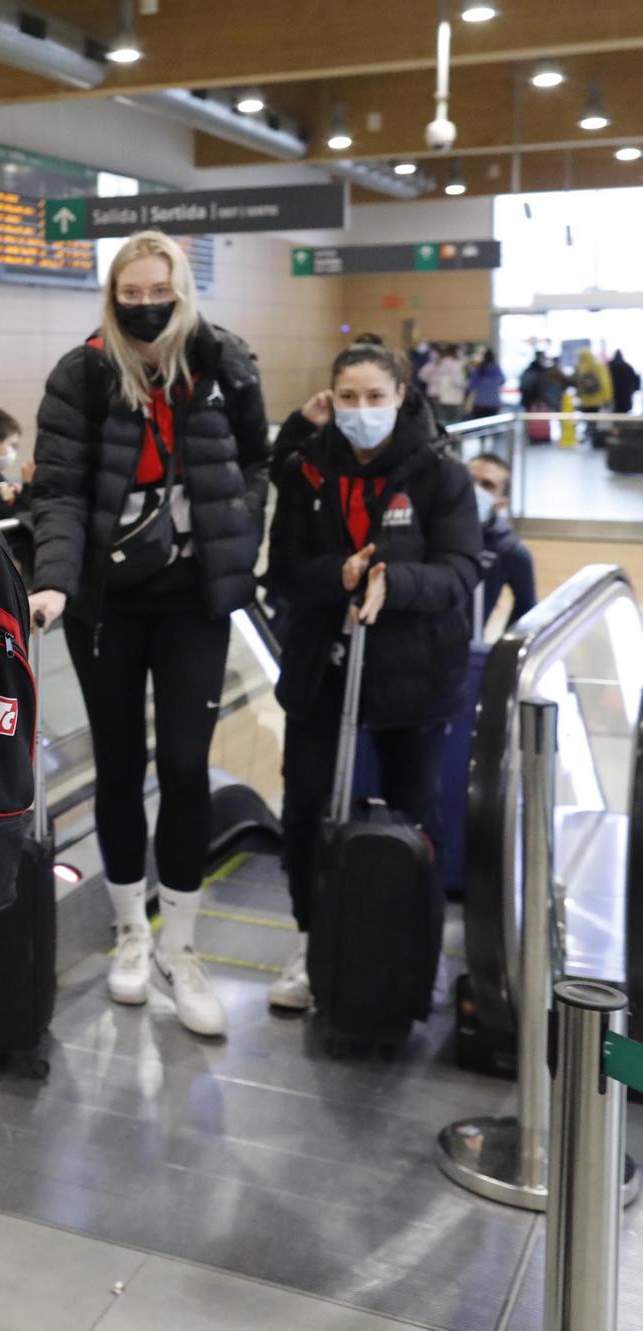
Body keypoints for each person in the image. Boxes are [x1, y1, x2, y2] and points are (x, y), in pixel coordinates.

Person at [24, 230, 269, 1040]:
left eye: (156, 289)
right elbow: (55, 489)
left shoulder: (224, 363)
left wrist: (240, 537)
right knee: (121, 763)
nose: (144, 304)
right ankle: (133, 930)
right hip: (109, 600)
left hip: (195, 594)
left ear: (182, 288)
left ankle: (183, 945)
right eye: (129, 293)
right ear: (112, 295)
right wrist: (53, 576)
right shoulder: (84, 373)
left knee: (189, 766)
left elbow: (255, 464)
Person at [263, 343, 480, 1010]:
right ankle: (311, 938)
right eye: (349, 398)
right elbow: (284, 573)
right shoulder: (306, 470)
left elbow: (461, 570)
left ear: (401, 397)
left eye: (375, 397)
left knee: (415, 813)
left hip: (414, 672)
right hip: (320, 669)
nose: (362, 411)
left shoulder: (440, 472)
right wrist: (340, 576)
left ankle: (411, 946)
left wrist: (395, 579)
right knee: (304, 808)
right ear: (331, 400)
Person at [468, 452, 537, 628]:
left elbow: (527, 610)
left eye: (487, 485)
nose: (473, 489)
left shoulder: (508, 550)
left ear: (501, 503)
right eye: (468, 479)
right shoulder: (426, 530)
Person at [0, 404, 24, 520]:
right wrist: (28, 487)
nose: (13, 451)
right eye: (12, 445)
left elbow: (8, 501)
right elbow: (10, 515)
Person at [422, 342, 467, 424]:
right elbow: (458, 381)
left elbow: (422, 376)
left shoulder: (434, 363)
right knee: (453, 420)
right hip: (449, 396)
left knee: (438, 420)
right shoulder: (454, 364)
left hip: (435, 395)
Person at [466, 348, 506, 417]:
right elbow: (502, 381)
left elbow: (472, 385)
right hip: (493, 402)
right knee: (492, 425)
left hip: (480, 402)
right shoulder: (496, 368)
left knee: (480, 425)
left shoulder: (478, 369)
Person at [609, 349, 639, 415]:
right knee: (624, 414)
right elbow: (636, 380)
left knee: (614, 414)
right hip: (626, 395)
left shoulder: (609, 366)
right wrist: (632, 390)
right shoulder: (628, 367)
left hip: (613, 395)